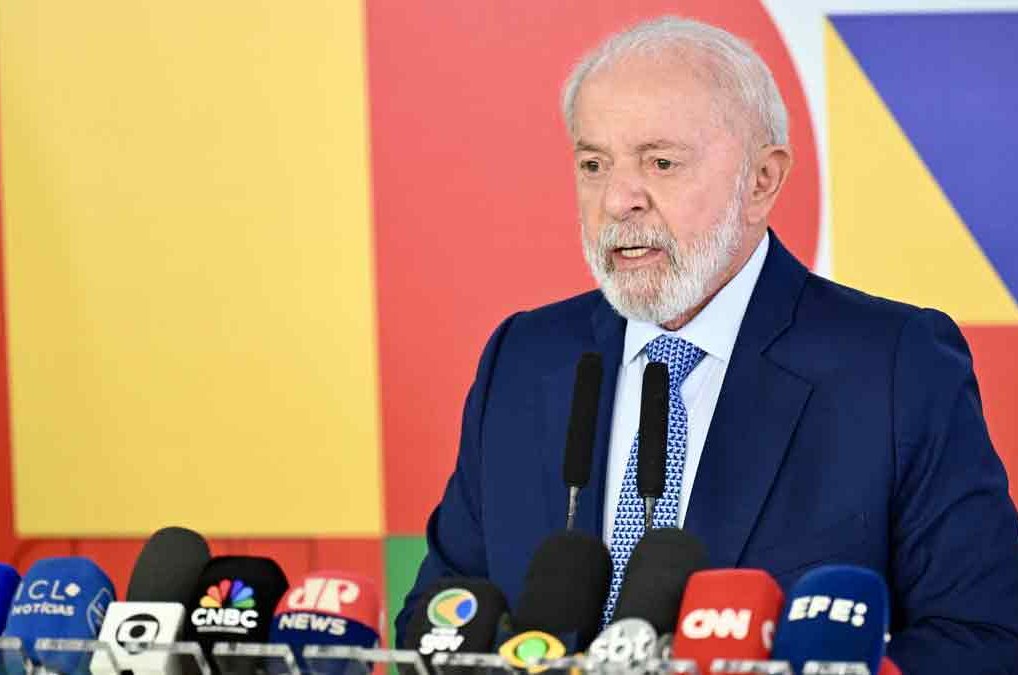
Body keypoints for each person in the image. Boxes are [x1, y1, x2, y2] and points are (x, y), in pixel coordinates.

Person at [396, 16, 1018, 672]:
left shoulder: (894, 367)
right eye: (593, 164)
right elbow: (439, 618)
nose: (618, 199)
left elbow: (986, 636)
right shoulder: (524, 358)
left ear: (762, 181)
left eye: (660, 162)